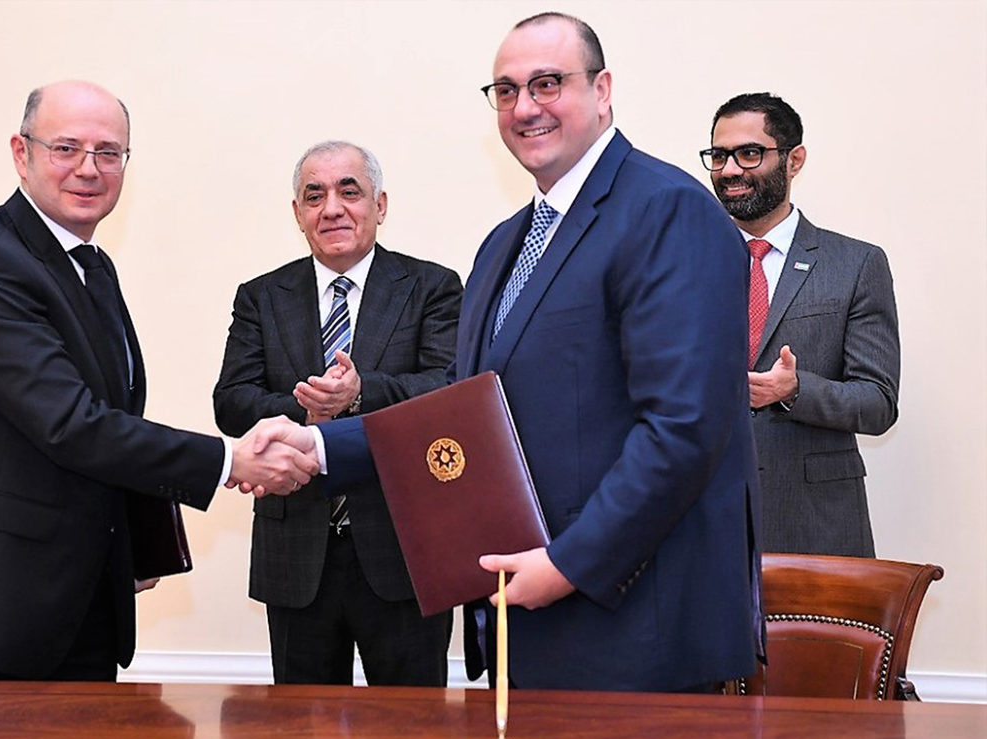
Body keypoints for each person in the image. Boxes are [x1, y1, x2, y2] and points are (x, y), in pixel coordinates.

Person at [247, 13, 762, 693]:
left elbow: (684, 429)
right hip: (530, 616)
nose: (525, 107)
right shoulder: (503, 245)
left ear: (602, 90)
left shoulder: (668, 211)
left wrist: (572, 563)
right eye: (506, 90)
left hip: (635, 625)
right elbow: (458, 414)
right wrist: (320, 450)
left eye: (548, 84)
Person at [0, 80, 317, 682]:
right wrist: (230, 461)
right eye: (66, 148)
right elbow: (69, 424)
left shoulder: (90, 264)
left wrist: (133, 542)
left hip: (80, 601)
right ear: (22, 153)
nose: (89, 170)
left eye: (109, 152)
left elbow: (110, 414)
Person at [213, 141, 462, 686]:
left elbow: (447, 391)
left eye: (350, 191)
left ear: (381, 204)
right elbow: (231, 401)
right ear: (298, 213)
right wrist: (310, 406)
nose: (332, 208)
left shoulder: (432, 288)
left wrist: (360, 394)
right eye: (314, 195)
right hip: (296, 554)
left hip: (403, 552)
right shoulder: (261, 297)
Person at [703, 93, 900, 557]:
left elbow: (878, 403)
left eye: (750, 153)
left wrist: (793, 391)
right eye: (719, 155)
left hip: (814, 527)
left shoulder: (855, 264)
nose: (730, 170)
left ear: (794, 160)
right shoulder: (680, 265)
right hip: (700, 524)